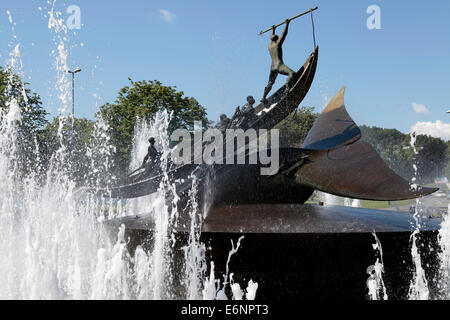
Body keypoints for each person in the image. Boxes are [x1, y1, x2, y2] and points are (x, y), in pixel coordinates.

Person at [261, 19, 296, 104]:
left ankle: (263, 97)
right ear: (277, 39)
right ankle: (287, 89)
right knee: (292, 73)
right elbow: (284, 34)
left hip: (272, 67)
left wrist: (273, 29)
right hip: (279, 65)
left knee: (270, 82)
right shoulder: (277, 44)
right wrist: (287, 24)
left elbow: (271, 37)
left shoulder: (269, 46)